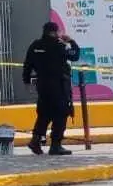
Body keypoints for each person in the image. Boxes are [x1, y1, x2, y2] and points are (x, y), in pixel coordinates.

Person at [22, 21, 81, 156]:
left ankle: (35, 140)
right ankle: (56, 145)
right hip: (59, 86)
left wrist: (26, 82)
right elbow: (75, 55)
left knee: (44, 113)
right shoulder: (59, 45)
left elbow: (27, 65)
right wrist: (71, 41)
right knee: (61, 114)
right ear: (54, 32)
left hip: (42, 86)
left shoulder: (35, 45)